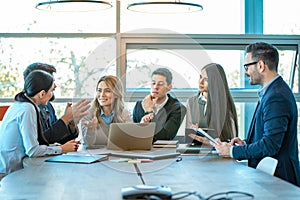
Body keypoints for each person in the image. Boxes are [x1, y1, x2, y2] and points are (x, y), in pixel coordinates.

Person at [213, 42, 300, 187]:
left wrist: (233, 151)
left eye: (247, 66)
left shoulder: (276, 96)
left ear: (260, 65)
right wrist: (246, 143)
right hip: (272, 178)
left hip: (280, 181)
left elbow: (271, 145)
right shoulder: (272, 92)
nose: (245, 71)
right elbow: (269, 137)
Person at [0, 70, 79, 176]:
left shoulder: (20, 104)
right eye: (51, 91)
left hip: (11, 168)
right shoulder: (28, 109)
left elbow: (31, 145)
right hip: (10, 173)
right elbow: (32, 150)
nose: (52, 95)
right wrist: (62, 149)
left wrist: (56, 146)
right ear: (42, 94)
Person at [23, 62, 90, 144]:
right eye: (50, 82)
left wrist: (71, 123)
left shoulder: (47, 106)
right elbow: (39, 142)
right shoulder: (27, 109)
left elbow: (56, 137)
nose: (55, 86)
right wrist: (65, 118)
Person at [188, 63, 238, 143]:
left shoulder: (224, 105)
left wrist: (211, 142)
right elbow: (187, 135)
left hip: (219, 152)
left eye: (206, 80)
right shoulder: (192, 102)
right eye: (200, 77)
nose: (201, 81)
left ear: (216, 82)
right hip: (195, 150)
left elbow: (231, 140)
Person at [133, 68, 186, 141]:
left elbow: (165, 136)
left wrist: (149, 112)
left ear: (169, 88)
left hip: (163, 150)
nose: (155, 87)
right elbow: (135, 134)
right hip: (140, 149)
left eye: (160, 84)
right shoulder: (139, 105)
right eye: (153, 83)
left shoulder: (178, 108)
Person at [81, 75, 132, 149]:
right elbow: (88, 144)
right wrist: (90, 130)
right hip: (94, 156)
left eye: (107, 91)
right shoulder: (88, 114)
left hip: (117, 156)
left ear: (116, 94)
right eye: (99, 90)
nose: (102, 95)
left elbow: (130, 142)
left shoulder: (124, 114)